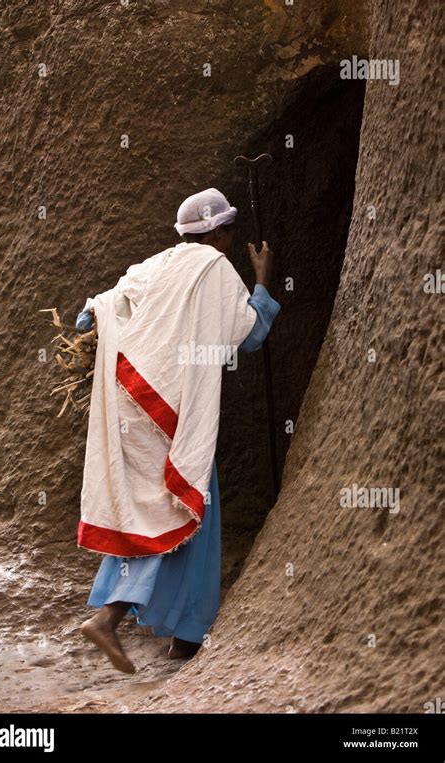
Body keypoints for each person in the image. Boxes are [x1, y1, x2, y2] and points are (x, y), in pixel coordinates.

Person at [76, 188, 281, 673]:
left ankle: (184, 636)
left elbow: (97, 311)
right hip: (172, 417)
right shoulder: (216, 270)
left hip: (130, 400)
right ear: (220, 233)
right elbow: (248, 336)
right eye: (228, 229)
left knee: (157, 510)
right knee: (185, 508)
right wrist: (263, 282)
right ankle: (117, 618)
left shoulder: (157, 263)